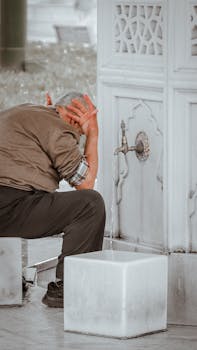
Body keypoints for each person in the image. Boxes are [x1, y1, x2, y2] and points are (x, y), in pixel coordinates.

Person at [0, 92, 106, 308]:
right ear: (75, 118)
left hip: (7, 202)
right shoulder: (59, 126)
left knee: (45, 196)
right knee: (90, 204)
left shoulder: (27, 111)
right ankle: (69, 288)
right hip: (7, 207)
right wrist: (93, 135)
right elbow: (85, 183)